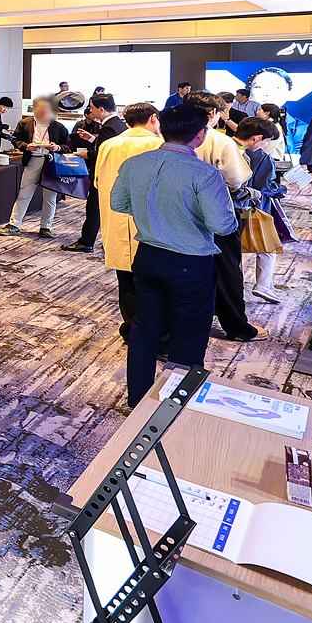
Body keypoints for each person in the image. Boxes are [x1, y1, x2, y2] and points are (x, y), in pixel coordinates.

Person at [111, 103, 238, 405]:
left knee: (145, 329)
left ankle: (138, 401)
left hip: (147, 257)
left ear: (162, 129)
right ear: (200, 134)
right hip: (189, 263)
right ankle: (175, 406)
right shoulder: (204, 173)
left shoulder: (135, 164)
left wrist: (153, 215)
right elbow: (222, 225)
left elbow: (119, 204)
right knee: (188, 337)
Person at [188, 92, 257, 342]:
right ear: (211, 114)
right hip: (216, 214)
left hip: (178, 214)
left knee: (185, 270)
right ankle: (236, 327)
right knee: (227, 271)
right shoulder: (219, 140)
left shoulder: (167, 137)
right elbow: (236, 180)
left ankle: (188, 323)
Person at [97, 104, 164, 337]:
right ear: (154, 118)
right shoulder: (158, 144)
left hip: (115, 218)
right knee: (155, 282)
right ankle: (157, 334)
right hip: (150, 221)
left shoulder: (108, 145)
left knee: (125, 278)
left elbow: (98, 182)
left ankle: (132, 329)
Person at [0, 97, 70, 238]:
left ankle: (46, 227)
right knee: (24, 193)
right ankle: (14, 225)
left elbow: (68, 145)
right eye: (40, 107)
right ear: (33, 108)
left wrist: (57, 147)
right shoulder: (24, 124)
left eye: (46, 108)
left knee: (50, 197)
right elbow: (15, 140)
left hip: (51, 162)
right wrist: (26, 146)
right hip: (33, 160)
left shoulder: (58, 126)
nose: (43, 110)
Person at [61, 94, 127, 252]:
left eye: (92, 107)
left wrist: (87, 154)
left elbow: (106, 153)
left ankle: (86, 242)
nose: (90, 110)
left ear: (101, 109)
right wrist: (92, 139)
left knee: (94, 208)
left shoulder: (109, 127)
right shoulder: (118, 123)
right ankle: (109, 242)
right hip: (115, 175)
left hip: (104, 175)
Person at [234, 116, 286, 303]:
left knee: (232, 252)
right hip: (251, 207)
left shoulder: (223, 146)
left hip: (223, 207)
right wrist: (281, 189)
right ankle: (263, 285)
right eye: (266, 141)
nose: (265, 145)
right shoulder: (262, 157)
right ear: (256, 138)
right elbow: (266, 187)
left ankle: (235, 288)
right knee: (267, 245)